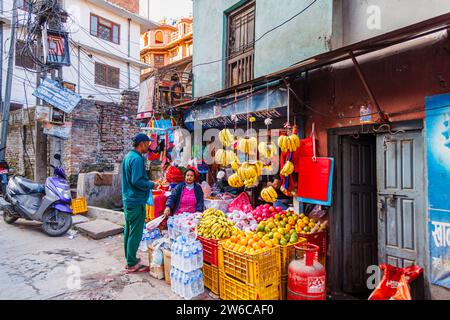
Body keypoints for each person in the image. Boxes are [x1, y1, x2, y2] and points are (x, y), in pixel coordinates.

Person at [122, 133, 159, 273]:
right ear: (142, 143)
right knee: (135, 233)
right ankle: (131, 263)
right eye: (147, 143)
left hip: (129, 199)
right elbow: (137, 180)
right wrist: (151, 184)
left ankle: (130, 258)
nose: (149, 146)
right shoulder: (137, 159)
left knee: (129, 231)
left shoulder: (128, 157)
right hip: (135, 200)